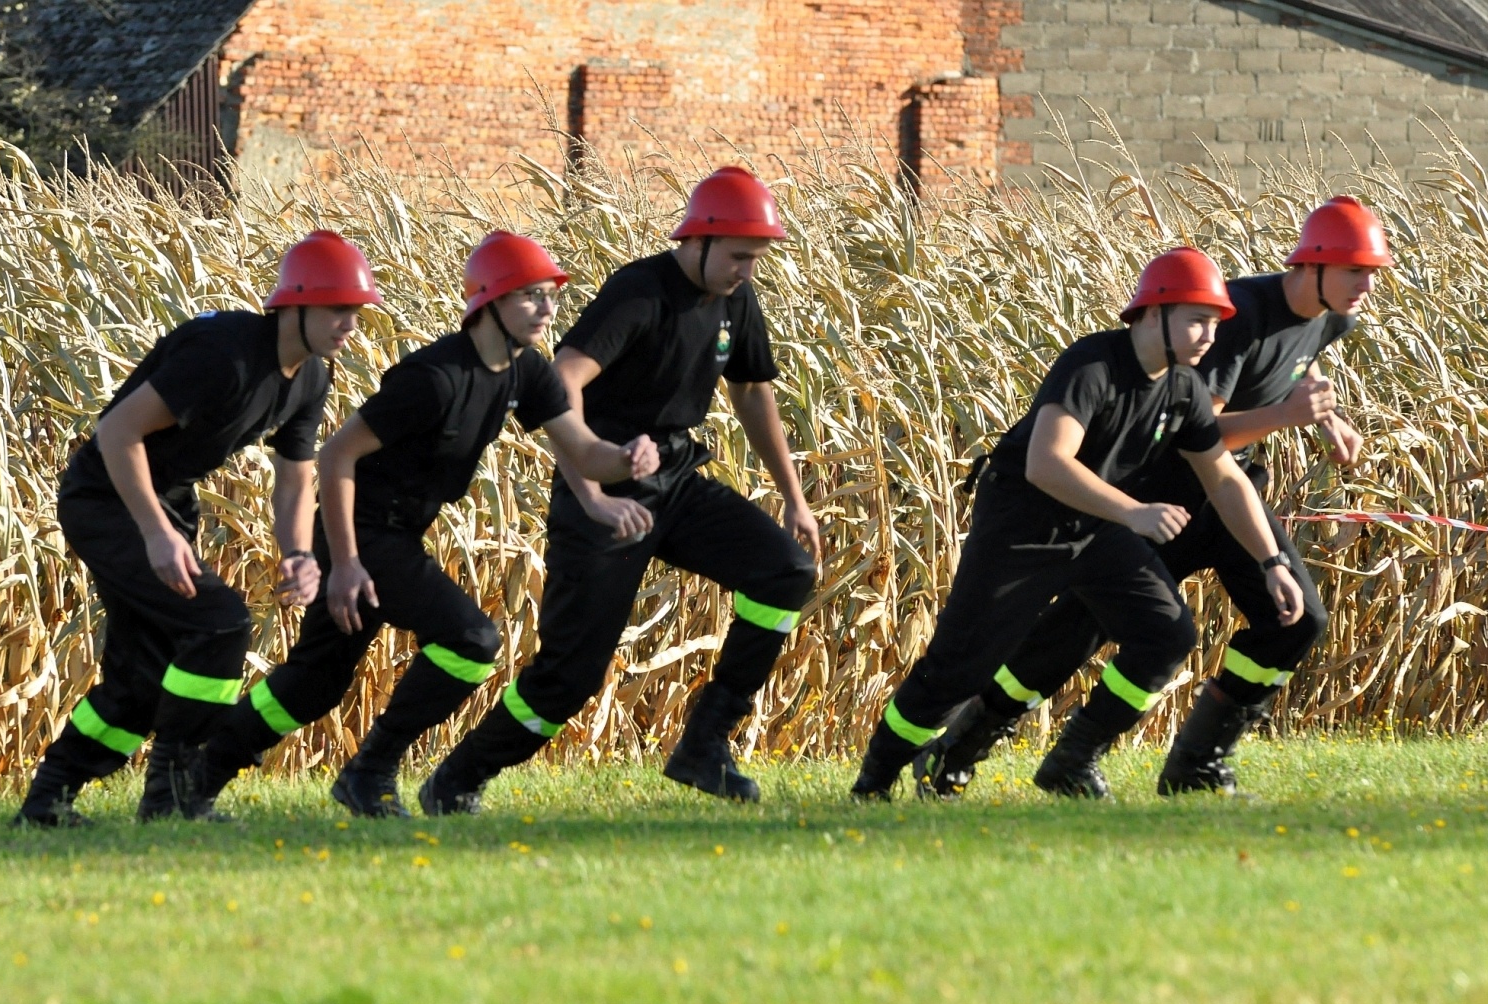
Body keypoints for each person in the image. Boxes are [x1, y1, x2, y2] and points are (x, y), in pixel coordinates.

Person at [912, 196, 1389, 800]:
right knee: (1074, 634)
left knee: (1296, 621)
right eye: (1355, 271)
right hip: (1161, 497)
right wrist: (1285, 416)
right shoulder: (1238, 317)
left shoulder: (1334, 318)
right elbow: (1202, 435)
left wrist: (1327, 418)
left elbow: (1299, 364)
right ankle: (959, 749)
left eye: (1372, 273)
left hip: (1229, 498)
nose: (1367, 286)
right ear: (1311, 265)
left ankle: (1195, 764)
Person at [188, 232, 660, 818]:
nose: (547, 309)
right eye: (531, 296)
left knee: (315, 682)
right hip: (361, 532)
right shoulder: (435, 377)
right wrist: (346, 564)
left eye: (552, 296)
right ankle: (370, 772)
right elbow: (336, 457)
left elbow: (585, 451)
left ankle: (197, 777)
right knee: (471, 641)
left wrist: (626, 460)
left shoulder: (527, 371)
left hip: (398, 536)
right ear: (489, 301)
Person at [417, 167, 821, 814]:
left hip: (676, 480)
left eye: (755, 258)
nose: (747, 270)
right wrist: (594, 494)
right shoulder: (639, 291)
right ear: (698, 239)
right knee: (569, 676)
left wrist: (795, 499)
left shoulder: (736, 299)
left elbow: (751, 391)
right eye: (739, 256)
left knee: (787, 571)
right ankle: (457, 779)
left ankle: (706, 743)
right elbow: (563, 381)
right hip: (603, 490)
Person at [850, 247, 1306, 801]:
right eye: (1197, 320)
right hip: (1022, 526)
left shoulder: (1184, 388)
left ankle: (1074, 759)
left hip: (1095, 530)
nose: (1210, 336)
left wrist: (1271, 562)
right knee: (958, 670)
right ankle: (874, 783)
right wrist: (1134, 512)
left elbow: (1225, 479)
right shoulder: (1092, 364)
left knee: (1166, 634)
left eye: (1216, 323)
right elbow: (1047, 463)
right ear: (1153, 313)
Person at [13, 231, 378, 826]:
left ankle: (47, 802)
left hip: (169, 504)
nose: (350, 324)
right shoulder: (223, 355)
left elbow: (294, 479)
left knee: (141, 681)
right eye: (338, 308)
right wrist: (156, 533)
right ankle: (173, 795)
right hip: (106, 499)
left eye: (357, 311)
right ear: (295, 303)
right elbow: (117, 432)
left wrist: (299, 553)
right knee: (219, 623)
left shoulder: (312, 377)